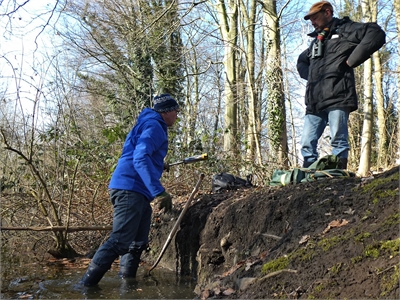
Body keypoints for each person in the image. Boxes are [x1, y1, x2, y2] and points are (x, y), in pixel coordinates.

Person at [78, 93, 180, 286]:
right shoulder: (154, 126)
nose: (177, 115)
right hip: (130, 188)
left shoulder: (147, 124)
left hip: (136, 190)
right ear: (166, 111)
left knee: (138, 242)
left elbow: (137, 153)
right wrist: (159, 191)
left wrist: (158, 164)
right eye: (176, 111)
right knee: (119, 241)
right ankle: (85, 286)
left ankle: (128, 283)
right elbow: (140, 158)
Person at [297, 1, 385, 168]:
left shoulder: (345, 30)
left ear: (327, 13)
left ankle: (338, 178)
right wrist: (312, 77)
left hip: (338, 96)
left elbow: (375, 32)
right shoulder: (317, 41)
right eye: (310, 20)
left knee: (338, 140)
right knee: (307, 143)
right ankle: (307, 179)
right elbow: (302, 60)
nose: (312, 22)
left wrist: (353, 60)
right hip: (314, 101)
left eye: (315, 18)